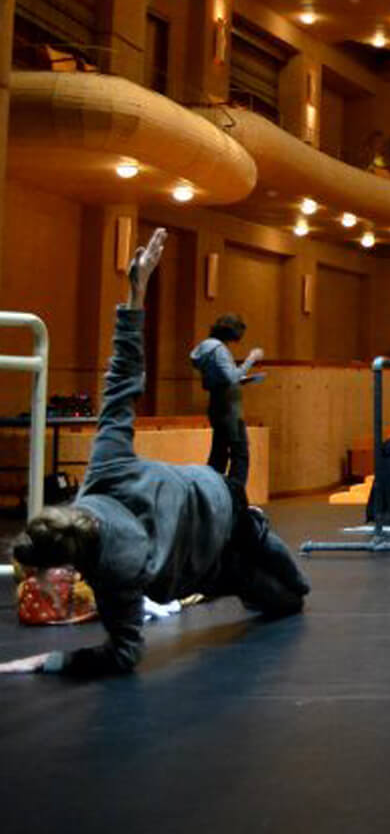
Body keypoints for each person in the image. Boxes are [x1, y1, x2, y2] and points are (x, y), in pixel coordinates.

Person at [2, 229, 309, 678]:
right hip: (217, 497)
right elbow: (122, 378)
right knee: (285, 581)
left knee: (289, 598)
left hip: (208, 561)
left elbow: (124, 653)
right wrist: (136, 289)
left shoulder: (113, 575)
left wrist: (48, 661)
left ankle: (253, 549)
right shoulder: (104, 468)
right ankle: (255, 536)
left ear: (63, 566)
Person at [190, 312, 263, 487]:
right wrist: (250, 360)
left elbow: (221, 378)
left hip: (216, 405)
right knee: (240, 454)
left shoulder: (205, 349)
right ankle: (235, 497)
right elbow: (231, 377)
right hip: (229, 409)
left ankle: (211, 493)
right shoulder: (219, 350)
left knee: (219, 454)